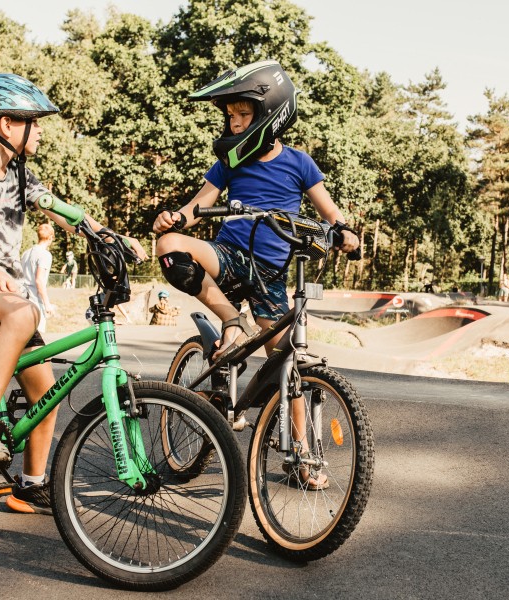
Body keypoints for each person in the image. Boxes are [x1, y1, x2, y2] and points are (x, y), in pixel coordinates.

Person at [0, 73, 147, 515]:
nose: (40, 130)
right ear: (6, 124)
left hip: (5, 293)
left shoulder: (21, 174)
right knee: (22, 314)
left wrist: (111, 236)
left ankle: (31, 482)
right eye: (34, 122)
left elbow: (64, 213)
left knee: (45, 393)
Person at [152, 60, 359, 490]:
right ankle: (230, 320)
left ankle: (302, 456)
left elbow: (331, 212)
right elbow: (197, 204)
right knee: (170, 246)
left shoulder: (299, 164)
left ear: (271, 113)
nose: (234, 122)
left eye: (242, 115)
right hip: (228, 255)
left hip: (270, 273)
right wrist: (175, 217)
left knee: (289, 363)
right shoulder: (230, 162)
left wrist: (345, 233)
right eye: (229, 116)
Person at [21, 223, 56, 333]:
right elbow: (39, 281)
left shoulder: (25, 254)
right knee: (36, 340)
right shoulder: (45, 255)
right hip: (35, 301)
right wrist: (47, 305)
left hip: (22, 298)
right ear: (50, 237)